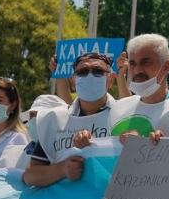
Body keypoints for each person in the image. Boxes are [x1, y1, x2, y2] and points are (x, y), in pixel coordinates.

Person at [23, 51, 118, 187]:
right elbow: (30, 175)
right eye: (83, 72)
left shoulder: (125, 116)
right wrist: (62, 169)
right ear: (74, 80)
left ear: (111, 79)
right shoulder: (54, 119)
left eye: (98, 71)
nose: (89, 76)